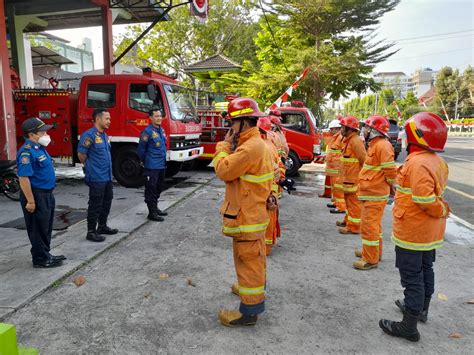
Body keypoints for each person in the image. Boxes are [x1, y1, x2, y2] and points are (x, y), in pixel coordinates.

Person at [379, 112, 449, 342]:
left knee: (412, 276)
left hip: (414, 232)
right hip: (428, 232)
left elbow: (424, 199)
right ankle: (421, 310)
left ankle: (409, 325)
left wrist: (441, 209)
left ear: (416, 137)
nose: (403, 138)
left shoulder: (418, 163)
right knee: (426, 269)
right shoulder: (435, 161)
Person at [213, 97, 273, 327]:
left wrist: (223, 146)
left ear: (244, 123)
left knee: (248, 260)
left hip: (248, 216)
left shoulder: (250, 147)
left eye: (232, 124)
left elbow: (223, 170)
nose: (230, 129)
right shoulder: (255, 143)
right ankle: (250, 291)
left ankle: (249, 312)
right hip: (250, 213)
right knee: (250, 259)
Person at [17, 117, 65, 268]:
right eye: (42, 132)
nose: (46, 134)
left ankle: (45, 253)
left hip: (46, 194)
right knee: (38, 228)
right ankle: (40, 259)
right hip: (36, 195)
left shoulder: (39, 148)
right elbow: (24, 178)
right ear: (31, 135)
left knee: (45, 226)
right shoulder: (26, 153)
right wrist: (31, 201)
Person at [353, 115, 396, 270]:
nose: (363, 130)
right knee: (374, 226)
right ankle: (373, 252)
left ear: (374, 130)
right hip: (372, 193)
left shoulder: (382, 146)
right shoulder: (376, 145)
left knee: (369, 226)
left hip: (375, 194)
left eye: (366, 127)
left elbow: (390, 170)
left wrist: (392, 186)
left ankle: (370, 259)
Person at [77, 108, 118, 242]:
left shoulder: (104, 136)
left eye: (110, 119)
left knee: (106, 202)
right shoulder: (89, 135)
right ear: (98, 119)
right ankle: (91, 231)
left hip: (106, 176)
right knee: (95, 204)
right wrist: (89, 167)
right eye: (107, 119)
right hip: (96, 177)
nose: (109, 121)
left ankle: (102, 226)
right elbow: (81, 155)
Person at [138, 108, 168, 222]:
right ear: (150, 118)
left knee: (158, 187)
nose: (159, 118)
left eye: (160, 116)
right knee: (151, 188)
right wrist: (145, 161)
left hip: (161, 165)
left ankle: (156, 208)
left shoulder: (161, 130)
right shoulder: (147, 132)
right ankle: (151, 212)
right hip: (152, 166)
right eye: (156, 116)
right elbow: (141, 150)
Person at [337, 116, 366, 234]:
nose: (341, 129)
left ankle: (354, 227)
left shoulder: (355, 141)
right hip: (348, 179)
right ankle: (348, 221)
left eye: (343, 127)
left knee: (354, 203)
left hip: (353, 180)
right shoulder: (349, 140)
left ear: (349, 129)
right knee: (348, 202)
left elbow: (363, 160)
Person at [257, 116, 281, 256]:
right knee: (271, 215)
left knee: (266, 218)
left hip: (265, 187)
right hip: (272, 186)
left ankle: (265, 248)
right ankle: (268, 243)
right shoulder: (270, 143)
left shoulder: (261, 145)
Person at [325, 119, 346, 214]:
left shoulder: (341, 138)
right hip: (333, 167)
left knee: (339, 188)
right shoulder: (336, 137)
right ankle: (336, 203)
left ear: (337, 128)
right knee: (335, 187)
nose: (330, 131)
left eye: (331, 129)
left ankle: (341, 207)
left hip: (338, 167)